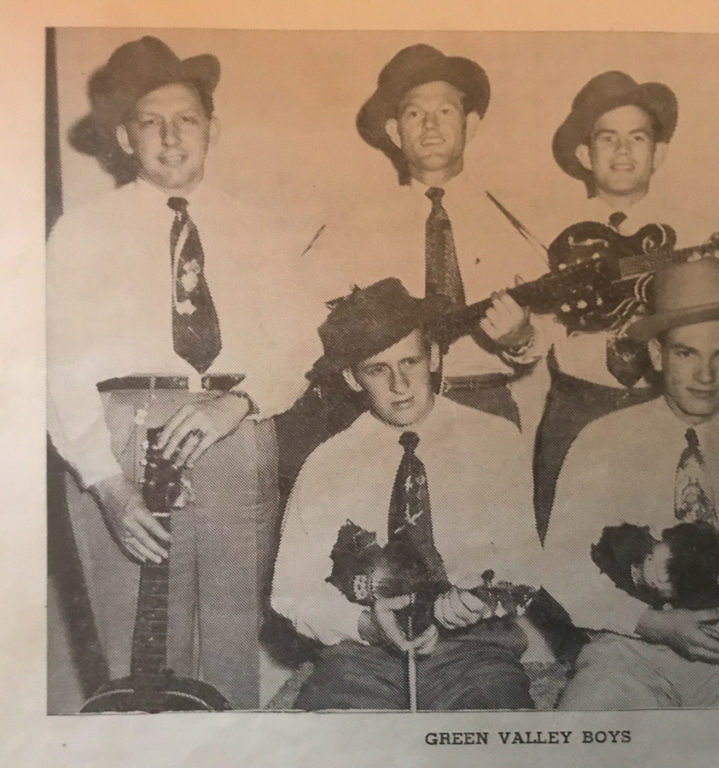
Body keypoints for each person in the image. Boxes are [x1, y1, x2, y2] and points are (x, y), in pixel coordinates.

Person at [47, 36, 318, 709]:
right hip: (118, 442)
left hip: (233, 429)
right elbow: (51, 362)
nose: (170, 138)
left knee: (230, 642)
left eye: (186, 119)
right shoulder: (80, 234)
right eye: (150, 122)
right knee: (137, 653)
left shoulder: (260, 230)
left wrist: (239, 403)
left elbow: (299, 345)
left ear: (211, 129)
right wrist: (106, 484)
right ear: (123, 136)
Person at [542, 258, 719, 709]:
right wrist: (648, 622)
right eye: (686, 353)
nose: (706, 375)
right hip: (629, 652)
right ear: (656, 354)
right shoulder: (602, 439)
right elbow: (563, 570)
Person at [277, 44, 550, 488]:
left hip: (486, 403)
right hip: (391, 415)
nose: (430, 125)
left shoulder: (514, 224)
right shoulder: (354, 228)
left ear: (471, 124)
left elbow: (549, 332)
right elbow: (312, 324)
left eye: (445, 111)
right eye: (413, 114)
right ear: (393, 130)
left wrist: (522, 338)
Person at [271, 279, 542, 710]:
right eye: (377, 369)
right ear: (351, 378)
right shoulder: (327, 462)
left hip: (473, 651)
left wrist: (477, 597)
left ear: (434, 356)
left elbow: (522, 561)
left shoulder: (495, 439)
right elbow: (292, 591)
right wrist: (365, 625)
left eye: (410, 361)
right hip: (360, 657)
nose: (399, 384)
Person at [533, 71, 693, 542]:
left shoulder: (690, 237)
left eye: (637, 138)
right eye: (608, 139)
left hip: (658, 406)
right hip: (575, 408)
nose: (623, 151)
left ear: (658, 154)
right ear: (585, 155)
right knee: (565, 544)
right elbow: (536, 334)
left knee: (667, 549)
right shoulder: (548, 235)